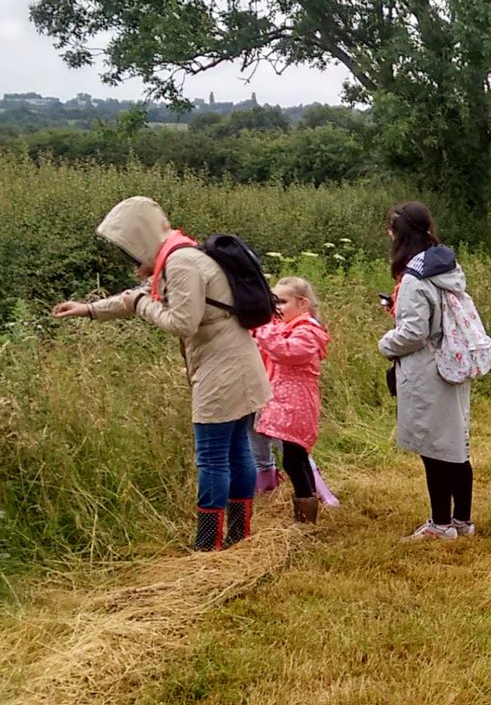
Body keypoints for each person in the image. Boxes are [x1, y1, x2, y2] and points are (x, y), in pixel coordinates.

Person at [52, 195, 271, 551]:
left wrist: (142, 306)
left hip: (222, 373)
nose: (131, 260)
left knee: (213, 457)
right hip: (240, 365)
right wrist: (88, 309)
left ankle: (207, 545)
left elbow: (181, 322)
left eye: (129, 250)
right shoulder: (183, 253)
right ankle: (237, 536)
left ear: (141, 240)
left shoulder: (180, 263)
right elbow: (137, 296)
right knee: (236, 452)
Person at [379, 201, 475, 541]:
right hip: (454, 363)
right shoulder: (445, 266)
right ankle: (463, 520)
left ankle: (440, 524)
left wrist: (385, 343)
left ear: (399, 234)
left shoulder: (413, 278)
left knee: (434, 448)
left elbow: (413, 333)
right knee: (456, 444)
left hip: (428, 372)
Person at [253, 277, 330, 523]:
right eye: (273, 301)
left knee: (294, 457)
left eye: (282, 301)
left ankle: (305, 513)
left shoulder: (308, 331)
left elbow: (287, 352)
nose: (276, 307)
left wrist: (263, 327)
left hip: (297, 404)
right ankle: (307, 508)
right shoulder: (284, 327)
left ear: (303, 303)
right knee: (294, 455)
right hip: (285, 403)